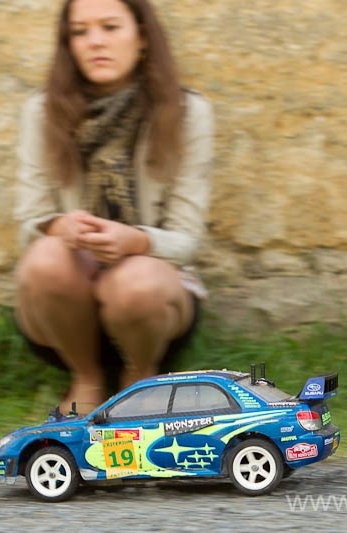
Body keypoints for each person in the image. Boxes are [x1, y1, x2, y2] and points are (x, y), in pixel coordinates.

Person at [14, 0, 214, 414]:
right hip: (66, 309)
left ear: (142, 37)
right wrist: (62, 228)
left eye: (110, 27)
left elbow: (187, 239)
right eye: (80, 31)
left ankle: (140, 376)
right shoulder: (42, 111)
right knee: (45, 257)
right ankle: (86, 377)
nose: (95, 42)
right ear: (68, 44)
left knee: (134, 282)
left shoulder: (187, 111)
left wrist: (136, 240)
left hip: (151, 304)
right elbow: (29, 221)